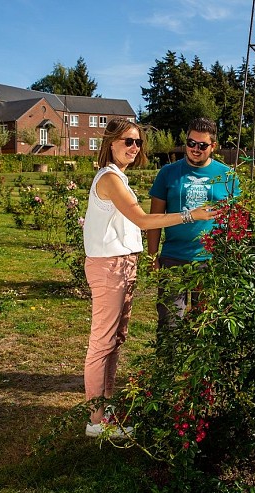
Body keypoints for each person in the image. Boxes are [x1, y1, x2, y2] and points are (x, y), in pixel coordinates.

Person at [82, 118, 216, 439]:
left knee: (116, 340)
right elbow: (143, 220)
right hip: (109, 267)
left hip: (122, 265)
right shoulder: (111, 178)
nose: (134, 147)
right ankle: (97, 422)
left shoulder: (120, 178)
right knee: (102, 344)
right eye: (127, 141)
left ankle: (106, 408)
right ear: (110, 143)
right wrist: (190, 214)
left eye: (138, 142)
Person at [147, 118, 240, 330]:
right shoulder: (168, 173)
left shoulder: (227, 176)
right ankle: (168, 363)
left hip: (210, 261)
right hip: (173, 259)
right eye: (191, 143)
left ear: (213, 146)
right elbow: (154, 219)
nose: (195, 149)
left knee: (205, 326)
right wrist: (153, 258)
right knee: (169, 324)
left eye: (202, 145)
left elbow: (236, 221)